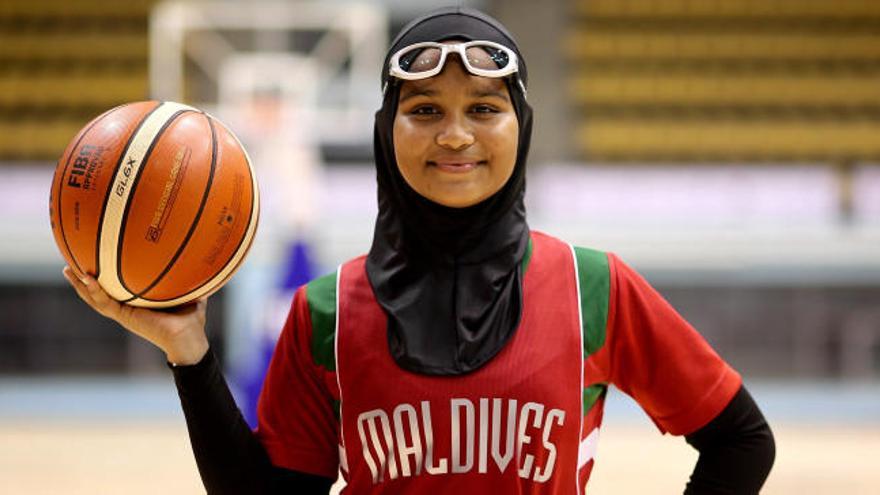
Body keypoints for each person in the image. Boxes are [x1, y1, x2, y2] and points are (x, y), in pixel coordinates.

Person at [62, 6, 775, 494]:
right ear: (386, 130)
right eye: (425, 109)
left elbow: (742, 441)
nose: (455, 135)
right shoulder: (326, 311)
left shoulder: (596, 286)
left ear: (520, 125)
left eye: (484, 109)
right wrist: (189, 349)